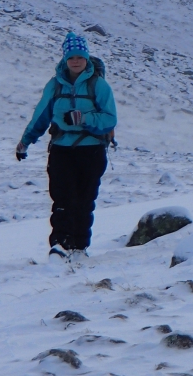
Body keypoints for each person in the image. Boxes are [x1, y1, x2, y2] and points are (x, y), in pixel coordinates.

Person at [16, 32, 117, 260]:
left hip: (91, 151)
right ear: (65, 58)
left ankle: (79, 248)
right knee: (62, 199)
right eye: (71, 57)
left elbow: (110, 119)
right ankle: (60, 246)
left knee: (84, 200)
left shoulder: (99, 86)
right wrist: (26, 141)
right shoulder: (55, 85)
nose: (76, 61)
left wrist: (84, 119)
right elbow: (41, 116)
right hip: (61, 149)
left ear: (86, 57)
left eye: (80, 56)